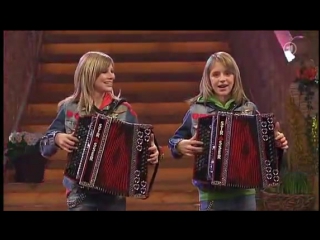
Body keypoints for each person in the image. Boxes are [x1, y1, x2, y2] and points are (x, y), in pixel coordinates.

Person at [168, 52, 289, 211]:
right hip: (210, 194)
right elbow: (174, 141)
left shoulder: (248, 108)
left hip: (245, 192)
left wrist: (276, 144)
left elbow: (265, 146)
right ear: (208, 79)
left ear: (235, 77)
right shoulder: (197, 110)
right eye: (216, 74)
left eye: (227, 73)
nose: (222, 79)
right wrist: (179, 145)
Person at [40, 51, 160, 211]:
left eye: (112, 71)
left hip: (113, 194)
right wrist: (56, 137)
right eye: (105, 72)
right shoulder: (69, 108)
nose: (112, 76)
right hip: (79, 192)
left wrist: (151, 153)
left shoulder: (124, 110)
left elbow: (137, 152)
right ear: (89, 74)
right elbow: (44, 147)